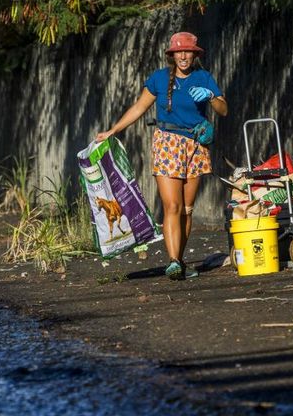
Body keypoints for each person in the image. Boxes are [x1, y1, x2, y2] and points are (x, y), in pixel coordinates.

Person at [96, 31, 228, 280]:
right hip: (167, 144)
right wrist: (114, 130)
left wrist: (211, 97)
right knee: (172, 206)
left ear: (194, 54)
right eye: (178, 52)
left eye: (187, 51)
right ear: (172, 55)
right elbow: (139, 107)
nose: (183, 56)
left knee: (187, 210)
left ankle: (180, 257)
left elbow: (223, 109)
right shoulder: (159, 78)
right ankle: (174, 261)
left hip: (196, 145)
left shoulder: (203, 77)